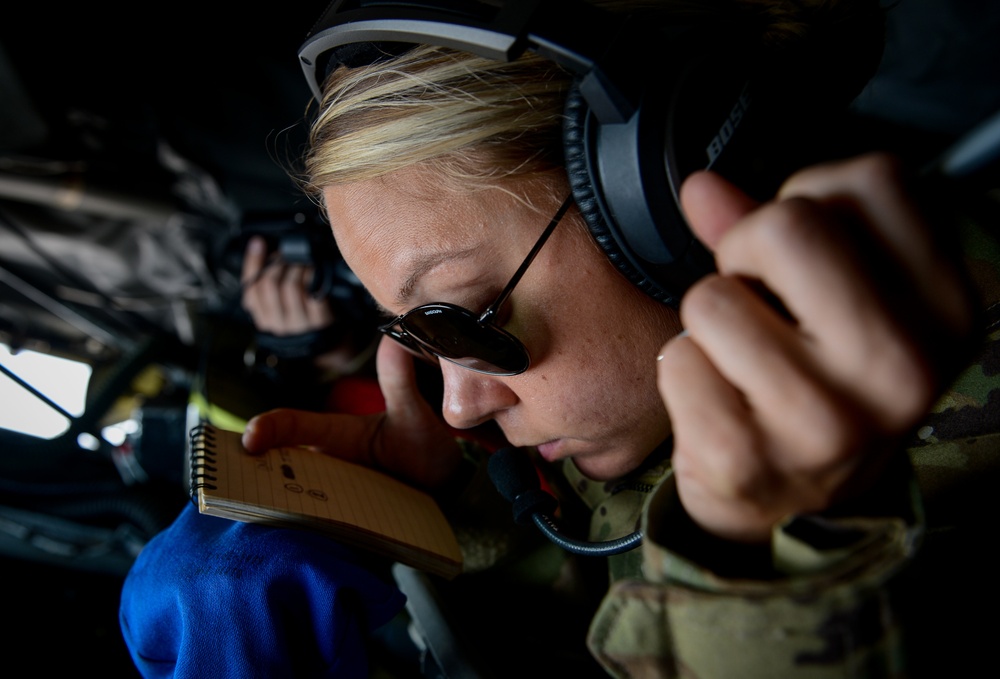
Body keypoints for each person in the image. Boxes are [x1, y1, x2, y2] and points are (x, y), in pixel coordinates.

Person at [120, 0, 1000, 677]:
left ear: (657, 201)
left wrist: (774, 565)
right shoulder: (640, 393)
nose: (462, 402)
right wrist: (455, 516)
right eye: (419, 337)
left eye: (461, 318)